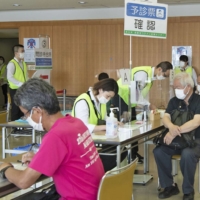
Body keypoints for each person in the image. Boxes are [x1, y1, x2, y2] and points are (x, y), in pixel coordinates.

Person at [0, 78, 104, 200]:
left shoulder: (56, 136)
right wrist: (40, 160)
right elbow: (72, 159)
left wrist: (5, 168)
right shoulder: (76, 123)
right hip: (95, 195)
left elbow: (24, 182)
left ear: (37, 111)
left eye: (26, 114)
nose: (26, 118)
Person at [112, 61, 173, 163]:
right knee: (125, 127)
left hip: (129, 101)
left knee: (133, 126)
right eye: (164, 75)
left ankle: (133, 154)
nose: (164, 78)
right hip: (121, 97)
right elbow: (136, 95)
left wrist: (148, 105)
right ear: (159, 69)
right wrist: (149, 105)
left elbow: (140, 94)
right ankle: (124, 155)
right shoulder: (143, 74)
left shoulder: (150, 76)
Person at [153, 72, 200, 200]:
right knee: (159, 151)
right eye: (174, 87)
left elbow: (196, 122)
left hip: (195, 140)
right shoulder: (174, 101)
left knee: (188, 155)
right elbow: (166, 118)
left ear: (188, 87)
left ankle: (188, 191)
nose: (175, 90)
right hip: (177, 140)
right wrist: (171, 127)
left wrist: (174, 131)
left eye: (178, 87)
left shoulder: (198, 100)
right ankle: (170, 186)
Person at [72, 78, 126, 171]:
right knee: (110, 156)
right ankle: (96, 174)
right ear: (100, 90)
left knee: (122, 151)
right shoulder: (83, 101)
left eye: (110, 98)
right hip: (80, 141)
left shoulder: (101, 101)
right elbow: (83, 127)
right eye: (107, 96)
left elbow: (105, 118)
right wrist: (107, 126)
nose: (108, 99)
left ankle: (99, 174)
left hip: (94, 139)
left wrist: (114, 122)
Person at [7, 44, 28, 121]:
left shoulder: (23, 63)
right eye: (22, 51)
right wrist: (20, 83)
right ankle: (14, 128)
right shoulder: (12, 64)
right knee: (16, 108)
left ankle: (21, 127)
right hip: (15, 89)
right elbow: (9, 77)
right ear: (16, 53)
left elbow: (25, 76)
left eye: (24, 51)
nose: (23, 53)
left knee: (23, 108)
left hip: (23, 89)